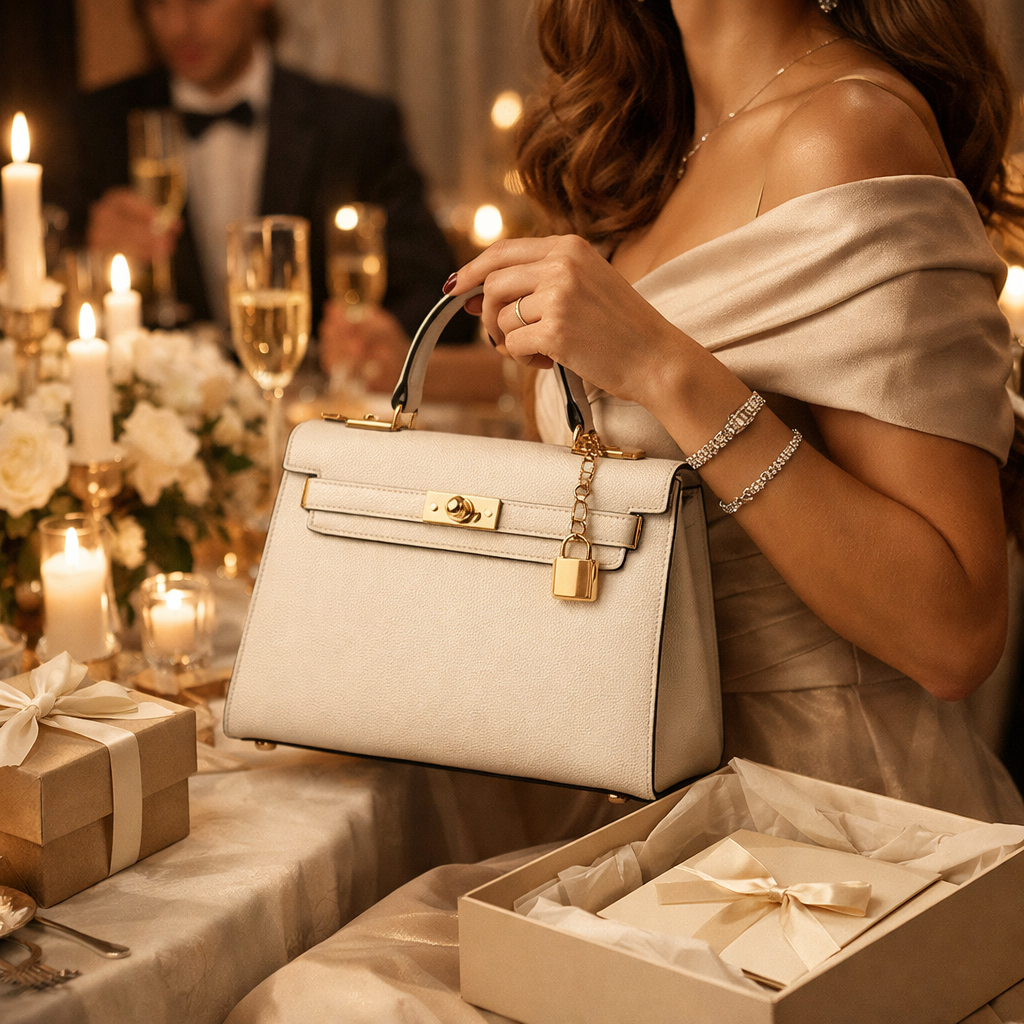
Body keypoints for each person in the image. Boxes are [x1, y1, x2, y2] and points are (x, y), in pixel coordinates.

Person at [225, 0, 1024, 1019]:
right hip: (646, 788)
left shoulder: (846, 126)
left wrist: (654, 362)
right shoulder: (651, 143)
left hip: (820, 819)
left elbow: (953, 630)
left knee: (336, 1001)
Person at [72, 0, 473, 357]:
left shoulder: (356, 126)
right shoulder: (97, 125)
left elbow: (442, 298)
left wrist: (376, 342)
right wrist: (91, 261)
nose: (178, 26)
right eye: (158, 4)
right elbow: (42, 290)